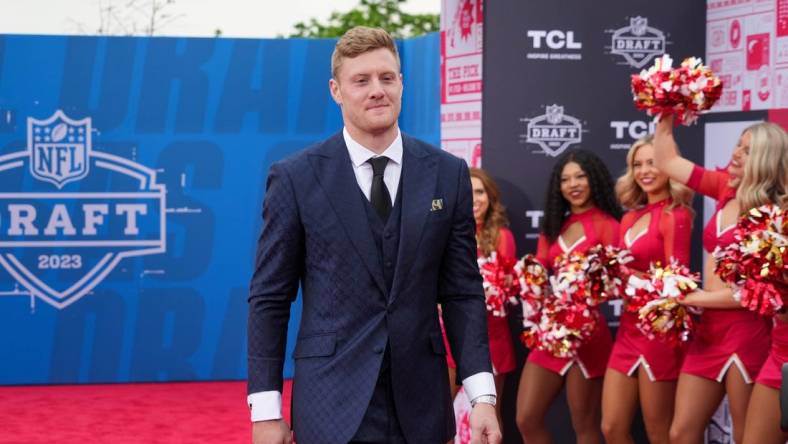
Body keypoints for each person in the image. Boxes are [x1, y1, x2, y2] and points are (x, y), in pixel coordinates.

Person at [246, 26, 501, 444]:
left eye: (386, 77)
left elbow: (462, 293)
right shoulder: (295, 178)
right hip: (330, 402)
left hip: (422, 403)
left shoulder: (447, 173)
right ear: (336, 90)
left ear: (401, 82)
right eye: (360, 80)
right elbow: (269, 299)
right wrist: (266, 411)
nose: (376, 90)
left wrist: (482, 395)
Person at [653, 115, 779, 444]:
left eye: (748, 150)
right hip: (709, 332)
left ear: (766, 160)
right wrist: (665, 111)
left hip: (747, 332)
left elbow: (758, 292)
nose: (736, 152)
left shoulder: (774, 214)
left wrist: (693, 298)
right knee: (681, 433)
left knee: (745, 435)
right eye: (739, 144)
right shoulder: (724, 186)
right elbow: (667, 161)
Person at [516, 149, 622, 444]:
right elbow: (537, 274)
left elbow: (615, 281)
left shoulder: (608, 225)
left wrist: (585, 296)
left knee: (584, 426)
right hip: (551, 335)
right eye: (565, 179)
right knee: (527, 417)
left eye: (580, 176)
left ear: (594, 180)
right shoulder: (553, 225)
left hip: (588, 336)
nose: (573, 184)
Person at [601, 136, 694, 444]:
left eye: (652, 162)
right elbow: (618, 272)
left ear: (669, 165)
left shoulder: (676, 214)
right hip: (628, 329)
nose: (644, 171)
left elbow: (675, 281)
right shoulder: (629, 216)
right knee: (611, 428)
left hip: (659, 333)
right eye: (637, 164)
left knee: (659, 432)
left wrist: (630, 275)